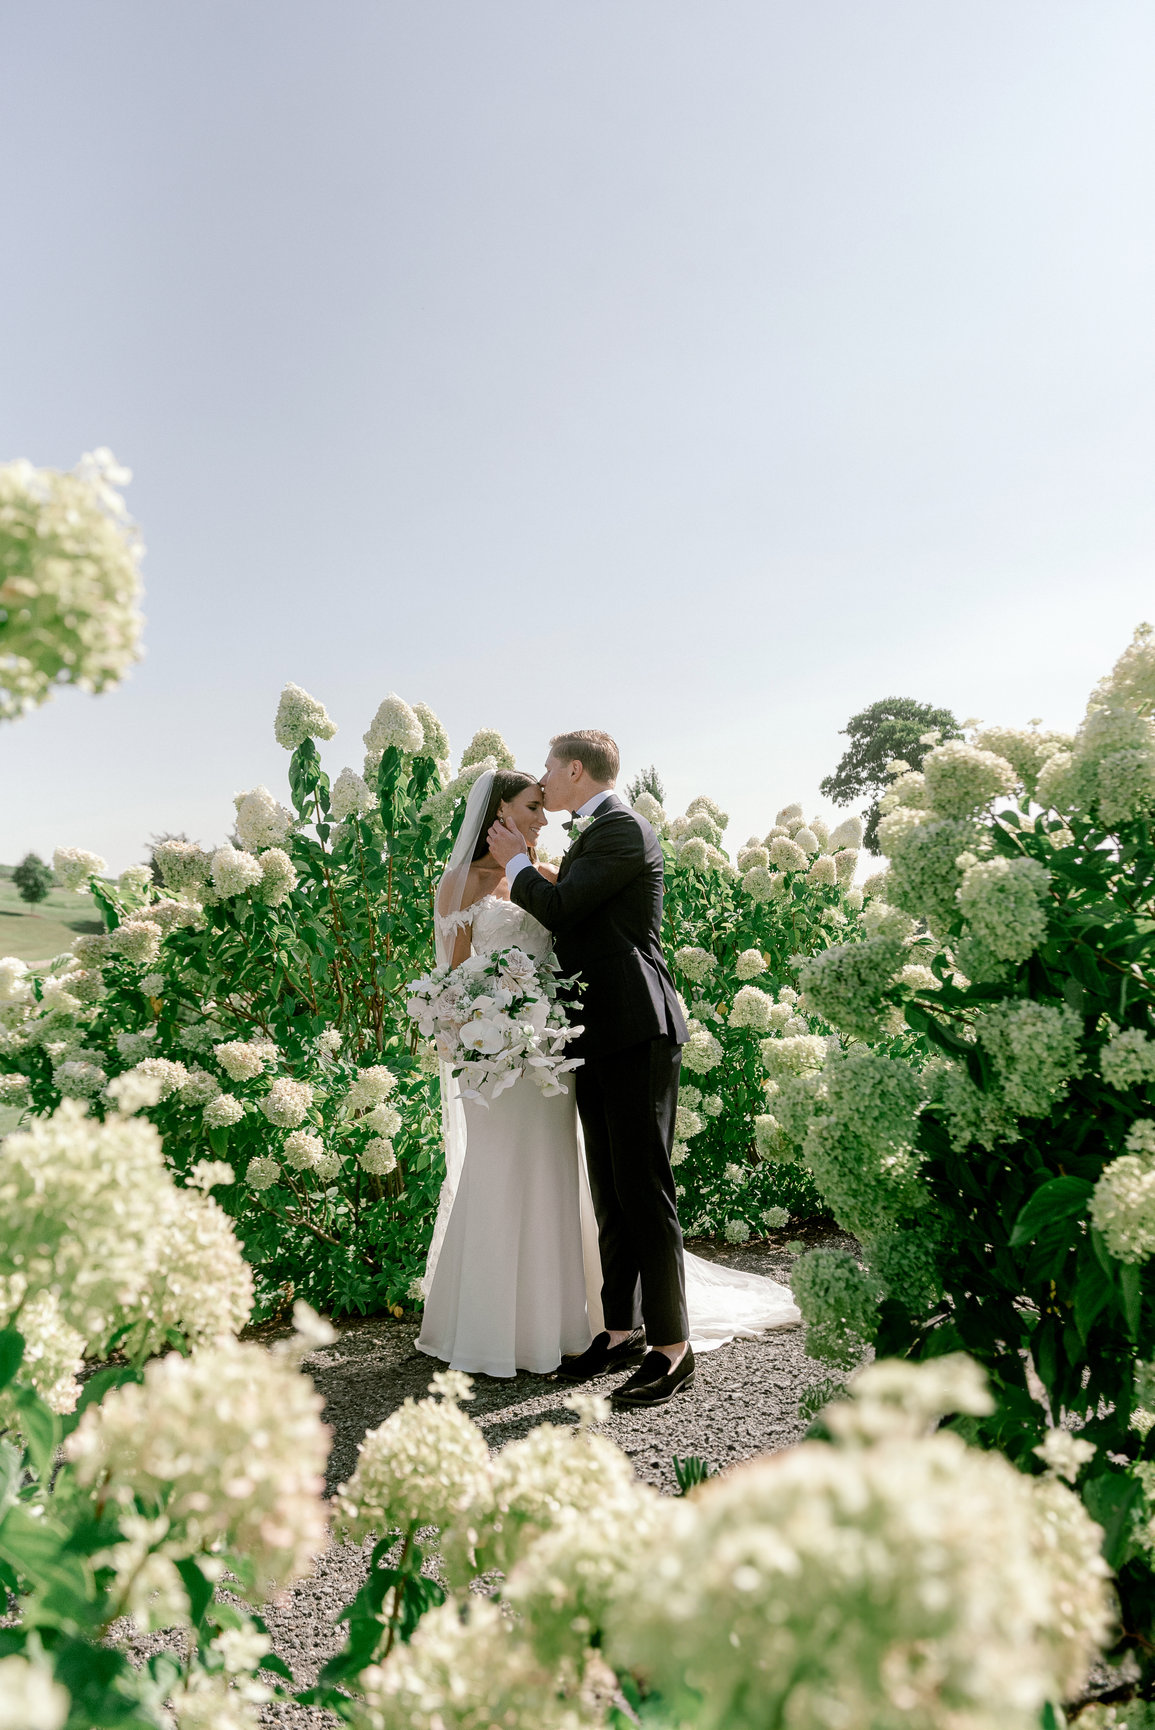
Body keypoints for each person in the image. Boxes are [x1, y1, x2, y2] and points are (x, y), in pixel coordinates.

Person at [417, 741, 799, 1408]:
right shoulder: (580, 844)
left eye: (546, 777)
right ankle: (618, 1329)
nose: (541, 790)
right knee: (608, 1190)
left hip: (635, 1029)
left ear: (572, 771)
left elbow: (559, 914)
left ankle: (671, 1350)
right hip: (583, 1037)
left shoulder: (622, 830)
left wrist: (515, 864)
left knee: (644, 1190)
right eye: (528, 795)